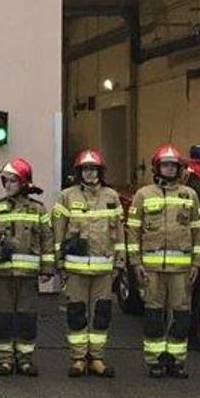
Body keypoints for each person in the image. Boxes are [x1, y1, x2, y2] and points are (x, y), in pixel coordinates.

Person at [128, 144, 200, 379]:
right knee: (153, 314)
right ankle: (154, 360)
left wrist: (196, 263)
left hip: (181, 269)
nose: (170, 169)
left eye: (173, 165)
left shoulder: (189, 195)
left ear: (179, 168)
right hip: (151, 268)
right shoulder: (143, 195)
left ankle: (177, 360)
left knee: (181, 315)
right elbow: (133, 231)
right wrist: (135, 262)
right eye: (165, 165)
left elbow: (197, 232)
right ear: (157, 167)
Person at [53, 149, 127, 378]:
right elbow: (58, 231)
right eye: (85, 170)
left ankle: (96, 358)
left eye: (93, 169)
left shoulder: (111, 197)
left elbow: (120, 232)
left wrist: (119, 263)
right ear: (79, 173)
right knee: (76, 313)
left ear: (100, 172)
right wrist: (59, 262)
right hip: (75, 269)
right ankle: (77, 358)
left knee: (101, 314)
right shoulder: (66, 196)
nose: (89, 174)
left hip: (104, 269)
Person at [0, 158, 52, 377]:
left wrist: (48, 268)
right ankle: (5, 360)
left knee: (26, 317)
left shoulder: (38, 210)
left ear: (23, 183)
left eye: (12, 181)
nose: (8, 185)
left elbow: (48, 240)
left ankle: (25, 359)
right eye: (5, 181)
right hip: (1, 276)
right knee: (3, 317)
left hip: (28, 276)